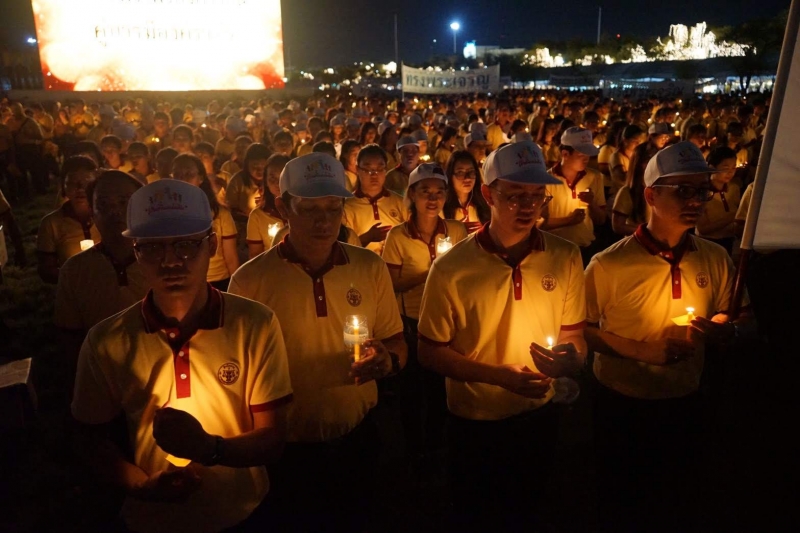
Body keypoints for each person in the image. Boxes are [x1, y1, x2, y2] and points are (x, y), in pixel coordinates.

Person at [71, 179, 293, 533]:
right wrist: (141, 485)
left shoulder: (254, 323)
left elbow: (273, 437)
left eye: (187, 245)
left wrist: (209, 448)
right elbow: (88, 439)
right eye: (154, 248)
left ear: (213, 245)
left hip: (242, 509)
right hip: (152, 519)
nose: (171, 261)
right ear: (136, 251)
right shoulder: (107, 341)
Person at [228, 152, 406, 532]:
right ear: (283, 207)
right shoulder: (250, 281)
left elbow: (396, 340)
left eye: (333, 207)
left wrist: (387, 361)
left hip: (358, 436)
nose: (324, 220)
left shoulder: (368, 266)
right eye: (309, 209)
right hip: (285, 448)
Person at [584, 141, 756, 533]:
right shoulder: (609, 263)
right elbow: (581, 329)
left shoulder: (714, 257)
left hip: (687, 398)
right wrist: (643, 351)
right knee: (622, 500)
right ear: (650, 195)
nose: (696, 200)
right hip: (622, 403)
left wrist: (724, 329)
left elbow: (744, 317)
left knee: (679, 496)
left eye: (702, 190)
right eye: (683, 190)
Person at [417, 140, 587, 533]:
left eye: (536, 196)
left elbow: (575, 334)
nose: (528, 206)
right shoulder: (451, 268)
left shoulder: (565, 257)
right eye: (515, 195)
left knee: (529, 505)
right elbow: (429, 352)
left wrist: (571, 360)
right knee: (476, 511)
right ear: (489, 194)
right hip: (475, 419)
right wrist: (499, 377)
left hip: (541, 412)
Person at [382, 163, 467, 468]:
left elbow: (466, 274)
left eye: (439, 192)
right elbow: (391, 283)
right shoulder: (398, 236)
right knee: (412, 389)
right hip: (413, 320)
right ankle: (414, 447)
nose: (433, 199)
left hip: (447, 320)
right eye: (425, 192)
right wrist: (427, 276)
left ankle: (435, 443)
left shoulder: (457, 230)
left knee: (440, 385)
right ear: (412, 196)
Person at [55, 170, 145, 389]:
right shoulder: (75, 270)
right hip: (102, 378)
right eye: (103, 204)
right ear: (92, 214)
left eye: (124, 202)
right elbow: (70, 337)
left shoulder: (165, 261)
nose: (114, 212)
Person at [171, 154, 239, 290]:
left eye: (189, 174)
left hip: (217, 281)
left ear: (201, 178)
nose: (183, 179)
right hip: (184, 282)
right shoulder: (168, 216)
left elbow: (231, 259)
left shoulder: (220, 214)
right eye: (178, 174)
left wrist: (237, 289)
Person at [542, 126, 607, 266]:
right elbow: (539, 224)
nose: (586, 160)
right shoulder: (546, 180)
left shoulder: (594, 177)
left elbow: (601, 220)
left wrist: (592, 203)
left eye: (588, 155)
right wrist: (568, 220)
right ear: (565, 154)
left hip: (585, 248)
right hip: (555, 250)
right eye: (581, 155)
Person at [37, 156, 101, 283]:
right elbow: (46, 270)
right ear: (63, 186)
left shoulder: (107, 217)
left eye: (86, 182)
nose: (80, 188)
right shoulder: (51, 224)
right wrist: (76, 277)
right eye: (72, 182)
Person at [343, 144, 408, 254]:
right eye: (368, 169)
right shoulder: (347, 206)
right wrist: (367, 238)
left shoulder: (400, 202)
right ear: (358, 169)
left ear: (386, 170)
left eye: (379, 169)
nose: (374, 175)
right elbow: (344, 247)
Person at [696, 147, 741, 255]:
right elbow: (702, 228)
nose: (730, 172)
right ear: (712, 168)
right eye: (726, 168)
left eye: (733, 168)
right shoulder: (701, 191)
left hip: (729, 241)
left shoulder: (734, 189)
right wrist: (733, 216)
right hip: (706, 243)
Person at [246, 154, 289, 258]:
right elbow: (255, 257)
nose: (278, 183)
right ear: (265, 181)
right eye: (272, 178)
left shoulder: (305, 210)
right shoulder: (257, 216)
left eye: (283, 176)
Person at [442, 150, 491, 233]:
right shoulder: (441, 206)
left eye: (471, 172)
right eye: (460, 172)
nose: (467, 178)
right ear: (450, 175)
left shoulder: (485, 203)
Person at [611, 148, 652, 236]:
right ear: (639, 164)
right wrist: (647, 233)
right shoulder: (628, 192)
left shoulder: (660, 188)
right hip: (637, 244)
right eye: (649, 159)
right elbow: (618, 226)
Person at [608, 125, 646, 199]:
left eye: (641, 141)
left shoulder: (638, 156)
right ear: (625, 140)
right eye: (635, 141)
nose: (638, 144)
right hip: (619, 196)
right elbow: (622, 177)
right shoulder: (616, 156)